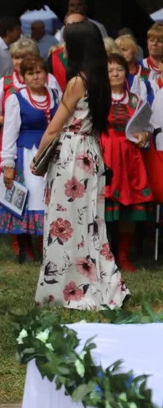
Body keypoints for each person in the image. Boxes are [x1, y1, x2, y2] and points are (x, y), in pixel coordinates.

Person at [35, 22, 128, 309]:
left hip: (71, 155)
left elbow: (54, 127)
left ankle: (64, 288)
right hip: (91, 152)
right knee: (90, 222)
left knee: (64, 222)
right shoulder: (99, 79)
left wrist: (38, 158)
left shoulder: (77, 82)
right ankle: (101, 280)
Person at [0, 56, 57, 263]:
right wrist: (8, 165)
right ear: (23, 77)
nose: (36, 77)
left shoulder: (57, 95)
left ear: (46, 74)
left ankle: (47, 247)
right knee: (29, 198)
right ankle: (26, 248)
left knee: (50, 199)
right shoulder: (16, 98)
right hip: (27, 154)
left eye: (39, 72)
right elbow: (10, 133)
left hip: (53, 154)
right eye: (30, 73)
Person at [100, 54, 152, 272]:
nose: (115, 74)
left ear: (127, 72)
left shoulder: (135, 100)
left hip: (129, 156)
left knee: (128, 207)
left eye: (119, 69)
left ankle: (124, 255)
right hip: (106, 154)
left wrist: (144, 136)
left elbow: (146, 127)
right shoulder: (98, 98)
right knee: (104, 208)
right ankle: (106, 255)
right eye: (110, 70)